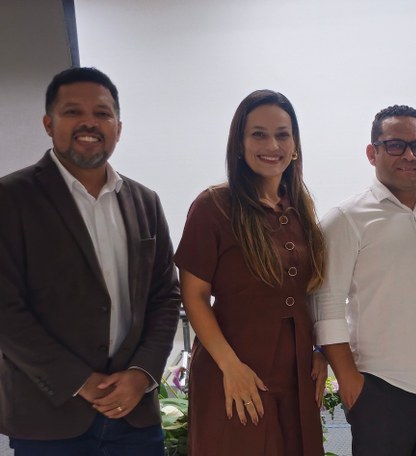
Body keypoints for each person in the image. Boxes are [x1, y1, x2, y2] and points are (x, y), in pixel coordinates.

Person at [0, 67, 181, 455]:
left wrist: (142, 374)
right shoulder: (11, 199)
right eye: (73, 112)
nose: (89, 123)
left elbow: (165, 297)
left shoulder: (145, 202)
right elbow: (6, 310)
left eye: (102, 113)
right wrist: (78, 380)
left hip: (134, 417)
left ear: (118, 127)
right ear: (48, 124)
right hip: (49, 419)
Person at [174, 90, 327, 455]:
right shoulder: (213, 206)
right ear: (239, 145)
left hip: (297, 373)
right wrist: (232, 368)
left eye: (282, 134)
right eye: (258, 134)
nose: (272, 145)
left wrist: (319, 350)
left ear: (295, 146)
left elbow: (310, 290)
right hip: (235, 368)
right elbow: (194, 297)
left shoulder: (300, 207)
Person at [312, 105, 416, 455]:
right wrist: (351, 384)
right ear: (373, 153)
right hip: (381, 393)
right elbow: (327, 306)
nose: (409, 155)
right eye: (396, 145)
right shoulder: (345, 219)